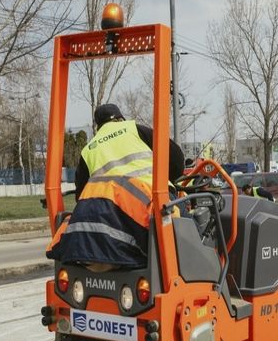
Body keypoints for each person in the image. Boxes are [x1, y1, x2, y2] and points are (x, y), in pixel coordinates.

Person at [49, 104, 184, 269]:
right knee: (189, 226)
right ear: (121, 119)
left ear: (98, 126)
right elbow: (177, 161)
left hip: (111, 218)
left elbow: (82, 196)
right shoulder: (134, 130)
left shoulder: (89, 149)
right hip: (151, 203)